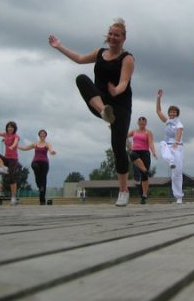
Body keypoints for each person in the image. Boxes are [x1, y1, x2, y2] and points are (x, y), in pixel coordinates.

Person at [49, 18, 135, 207]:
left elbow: (124, 82)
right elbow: (79, 59)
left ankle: (123, 191)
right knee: (81, 78)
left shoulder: (127, 58)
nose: (112, 37)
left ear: (123, 38)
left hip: (120, 106)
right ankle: (104, 112)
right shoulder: (99, 53)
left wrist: (116, 90)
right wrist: (59, 46)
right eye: (110, 34)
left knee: (118, 147)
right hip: (100, 102)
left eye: (117, 35)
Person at [156, 89, 184, 204]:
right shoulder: (167, 121)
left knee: (177, 174)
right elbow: (158, 111)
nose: (172, 113)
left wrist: (176, 142)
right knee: (162, 144)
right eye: (170, 112)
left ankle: (179, 197)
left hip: (177, 147)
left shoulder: (179, 123)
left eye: (174, 112)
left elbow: (179, 132)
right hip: (168, 145)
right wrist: (158, 98)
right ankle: (170, 161)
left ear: (177, 113)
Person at [19, 129, 56, 205]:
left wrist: (52, 152)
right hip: (35, 162)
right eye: (41, 133)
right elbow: (25, 148)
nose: (42, 134)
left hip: (44, 163)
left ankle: (42, 201)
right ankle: (40, 186)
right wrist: (16, 146)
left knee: (43, 180)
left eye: (44, 133)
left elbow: (50, 150)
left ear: (45, 135)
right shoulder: (35, 144)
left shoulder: (47, 144)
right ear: (39, 135)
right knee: (35, 169)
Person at [127, 117, 157, 205]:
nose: (142, 124)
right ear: (138, 123)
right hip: (136, 152)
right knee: (132, 155)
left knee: (144, 177)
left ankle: (144, 195)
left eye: (143, 123)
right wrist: (128, 145)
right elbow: (123, 136)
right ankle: (145, 170)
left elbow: (150, 142)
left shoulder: (148, 132)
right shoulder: (134, 131)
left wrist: (153, 151)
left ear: (146, 123)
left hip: (145, 153)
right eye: (140, 123)